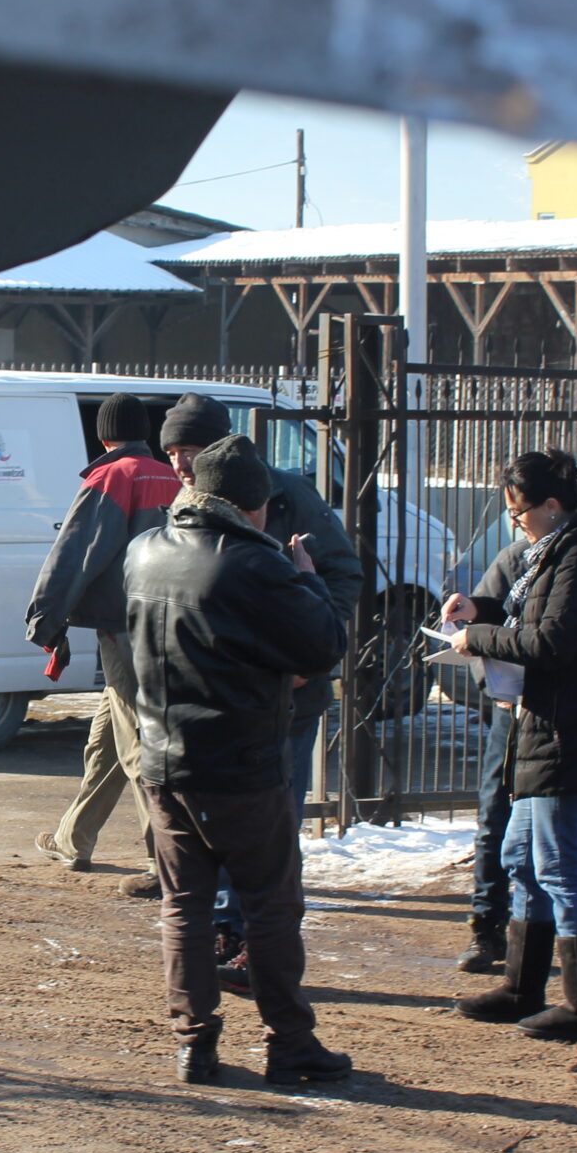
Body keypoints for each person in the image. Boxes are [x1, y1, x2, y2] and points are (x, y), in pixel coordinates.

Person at [124, 434, 353, 1087]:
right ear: (256, 506)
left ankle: (194, 1042)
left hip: (165, 761)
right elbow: (323, 643)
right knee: (271, 905)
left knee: (186, 906)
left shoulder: (143, 552)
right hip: (243, 763)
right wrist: (306, 577)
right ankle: (290, 1041)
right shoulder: (256, 563)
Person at [156, 394, 360, 968]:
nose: (178, 464)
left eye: (189, 450)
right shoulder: (181, 505)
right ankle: (227, 927)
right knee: (215, 825)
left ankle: (258, 944)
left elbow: (340, 576)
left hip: (289, 698)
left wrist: (304, 663)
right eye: (171, 451)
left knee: (273, 825)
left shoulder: (288, 496)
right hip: (222, 700)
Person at [446, 449, 577, 1043]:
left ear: (554, 506)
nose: (515, 522)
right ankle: (521, 987)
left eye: (520, 510)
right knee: (521, 860)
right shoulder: (551, 553)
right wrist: (484, 611)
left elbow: (554, 640)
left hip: (571, 733)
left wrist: (479, 636)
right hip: (544, 728)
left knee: (559, 868)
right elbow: (530, 614)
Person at [26, 393, 182, 882]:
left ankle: (168, 861)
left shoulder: (112, 476)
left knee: (136, 740)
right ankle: (75, 838)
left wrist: (45, 617)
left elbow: (76, 550)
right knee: (106, 740)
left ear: (103, 435)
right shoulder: (172, 477)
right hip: (166, 624)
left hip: (121, 625)